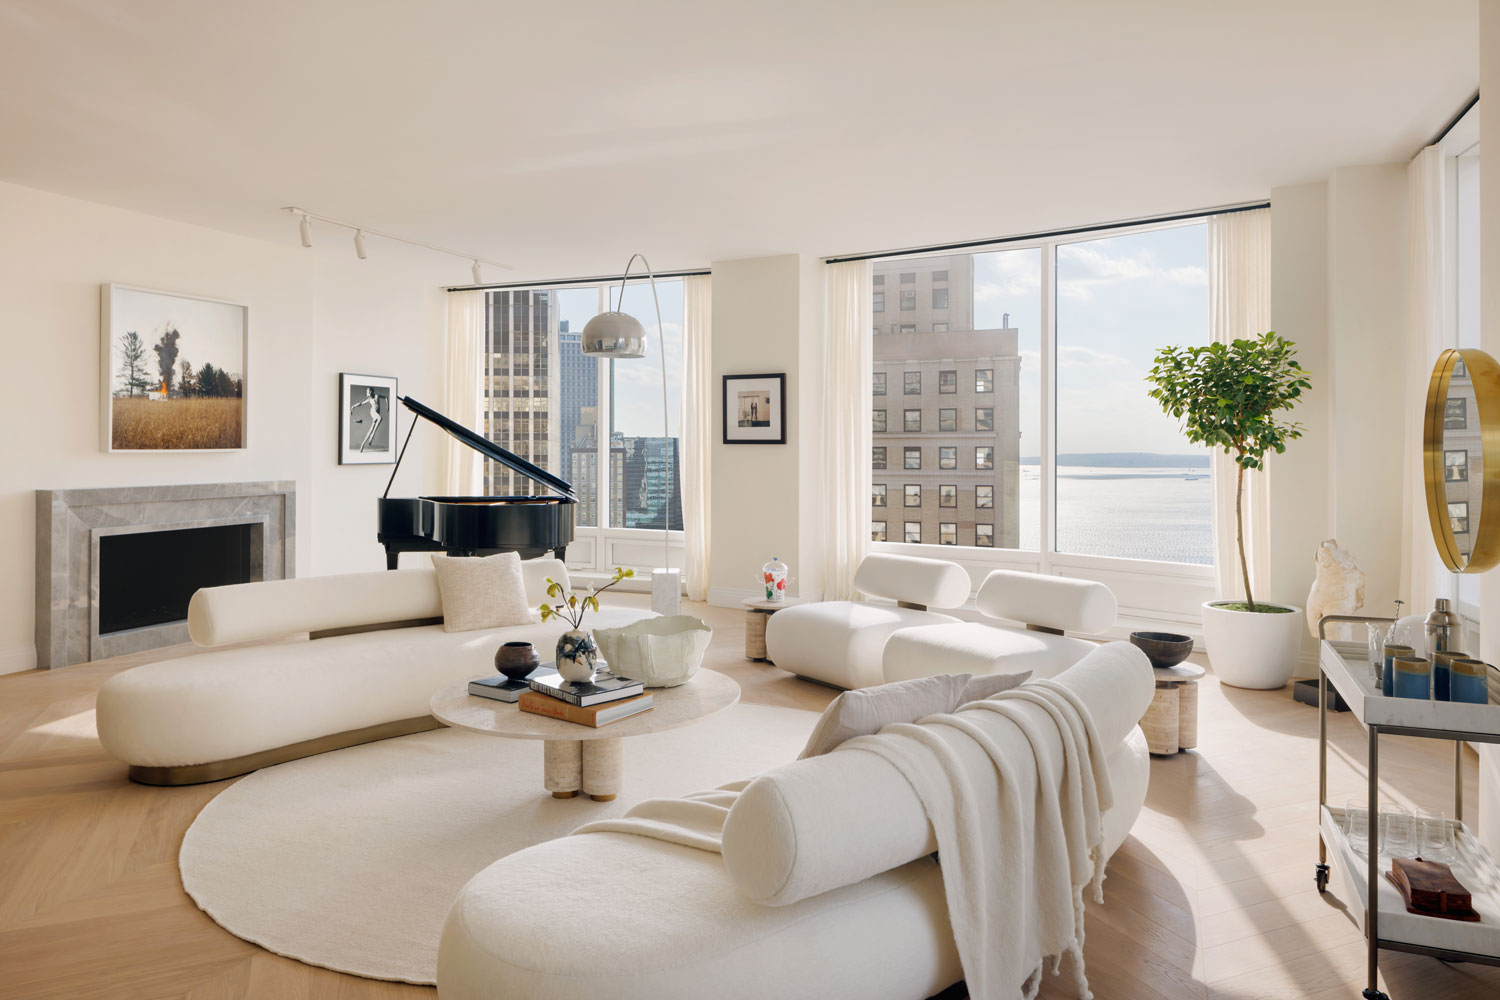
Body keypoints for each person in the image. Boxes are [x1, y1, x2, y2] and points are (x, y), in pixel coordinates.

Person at [350, 387, 384, 452]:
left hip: (376, 413)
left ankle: (362, 445)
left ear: (371, 392)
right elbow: (361, 403)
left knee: (371, 429)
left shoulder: (377, 396)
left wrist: (387, 406)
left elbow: (386, 398)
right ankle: (372, 435)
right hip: (373, 412)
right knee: (380, 418)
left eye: (367, 392)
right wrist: (354, 406)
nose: (366, 393)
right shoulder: (369, 399)